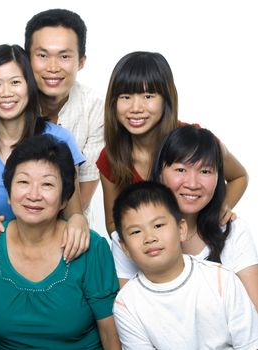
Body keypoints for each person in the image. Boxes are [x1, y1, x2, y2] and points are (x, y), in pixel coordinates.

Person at [0, 134, 120, 349]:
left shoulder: (91, 246)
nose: (33, 194)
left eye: (47, 184)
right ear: (9, 194)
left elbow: (110, 334)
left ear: (64, 199)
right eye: (23, 182)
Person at [0, 44, 89, 262]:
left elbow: (74, 213)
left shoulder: (60, 139)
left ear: (29, 86)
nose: (6, 93)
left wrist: (79, 220)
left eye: (15, 82)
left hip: (55, 257)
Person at [97, 51, 248, 234]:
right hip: (146, 253)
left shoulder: (194, 140)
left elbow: (239, 177)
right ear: (113, 103)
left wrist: (221, 209)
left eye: (148, 96)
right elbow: (113, 224)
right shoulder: (111, 155)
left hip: (198, 243)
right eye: (125, 97)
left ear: (166, 99)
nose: (136, 108)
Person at [111, 125, 258, 305]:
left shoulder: (233, 231)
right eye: (180, 170)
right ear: (159, 172)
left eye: (205, 171)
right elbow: (131, 310)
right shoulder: (130, 238)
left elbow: (253, 313)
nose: (192, 183)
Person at [112, 181, 258, 349]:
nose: (149, 237)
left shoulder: (222, 280)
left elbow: (250, 344)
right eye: (136, 231)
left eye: (158, 225)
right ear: (125, 248)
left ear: (181, 230)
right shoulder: (126, 304)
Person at [24, 8, 104, 218]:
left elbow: (84, 191)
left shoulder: (94, 107)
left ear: (81, 61)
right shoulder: (4, 100)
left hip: (69, 226)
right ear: (27, 58)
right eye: (42, 55)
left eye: (64, 56)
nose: (53, 67)